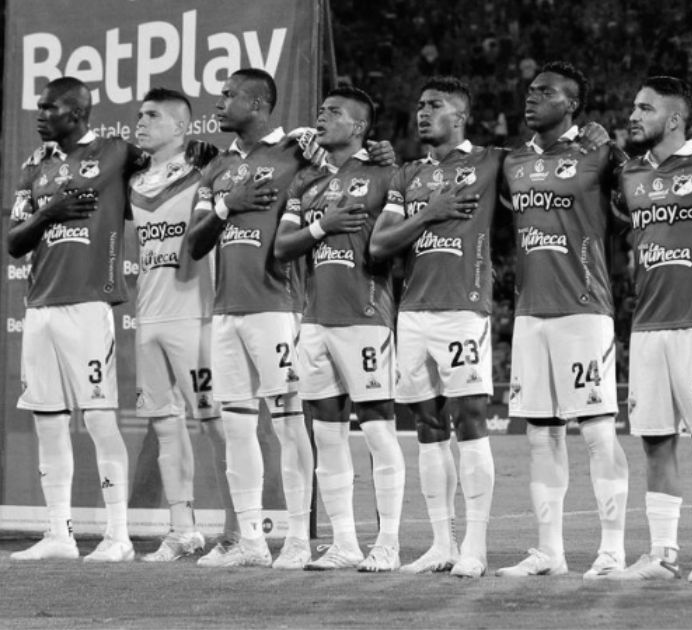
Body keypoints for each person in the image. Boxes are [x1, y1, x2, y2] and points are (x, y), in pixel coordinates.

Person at [497, 61, 631, 578]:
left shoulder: (598, 153)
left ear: (571, 104)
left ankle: (612, 551)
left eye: (545, 92)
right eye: (530, 90)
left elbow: (640, 191)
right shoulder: (512, 161)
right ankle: (549, 552)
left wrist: (614, 146)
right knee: (541, 434)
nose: (531, 97)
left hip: (584, 309)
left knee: (597, 432)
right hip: (530, 313)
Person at [369, 77, 502, 578]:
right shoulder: (408, 174)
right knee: (426, 426)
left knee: (470, 420)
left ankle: (475, 547)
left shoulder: (490, 162)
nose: (422, 112)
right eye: (420, 105)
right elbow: (380, 244)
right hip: (412, 312)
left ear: (460, 116)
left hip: (462, 308)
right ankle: (441, 544)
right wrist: (429, 213)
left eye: (435, 105)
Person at [186, 68, 319, 569]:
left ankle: (299, 540)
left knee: (288, 424)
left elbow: (350, 161)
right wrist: (227, 206)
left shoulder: (296, 151)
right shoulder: (217, 168)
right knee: (238, 428)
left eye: (228, 95)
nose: (219, 103)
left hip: (277, 306)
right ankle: (251, 541)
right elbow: (195, 244)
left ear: (259, 103)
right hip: (226, 312)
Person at [605, 76, 692, 582]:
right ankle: (661, 555)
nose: (633, 116)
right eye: (634, 107)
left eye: (645, 108)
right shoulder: (630, 174)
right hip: (647, 326)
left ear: (675, 118)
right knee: (655, 442)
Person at [7, 76, 141, 562]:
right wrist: (51, 213)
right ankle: (59, 534)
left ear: (78, 112)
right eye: (39, 107)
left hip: (87, 306)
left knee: (100, 419)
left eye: (50, 108)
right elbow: (14, 242)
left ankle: (118, 536)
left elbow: (170, 167)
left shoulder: (115, 153)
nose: (41, 115)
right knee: (49, 421)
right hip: (40, 307)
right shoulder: (34, 166)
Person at [274, 87, 406, 572]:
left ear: (359, 127)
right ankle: (345, 543)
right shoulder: (305, 182)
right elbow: (282, 248)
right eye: (320, 110)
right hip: (315, 321)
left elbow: (395, 239)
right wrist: (322, 226)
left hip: (366, 318)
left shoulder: (385, 174)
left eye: (334, 112)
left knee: (378, 430)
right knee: (327, 437)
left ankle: (388, 543)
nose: (321, 117)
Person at [128, 88, 238, 562]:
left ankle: (237, 531)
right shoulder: (134, 182)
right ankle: (182, 530)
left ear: (181, 127)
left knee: (215, 424)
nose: (141, 122)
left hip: (195, 315)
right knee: (165, 427)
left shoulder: (205, 172)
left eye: (152, 116)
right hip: (148, 317)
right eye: (139, 115)